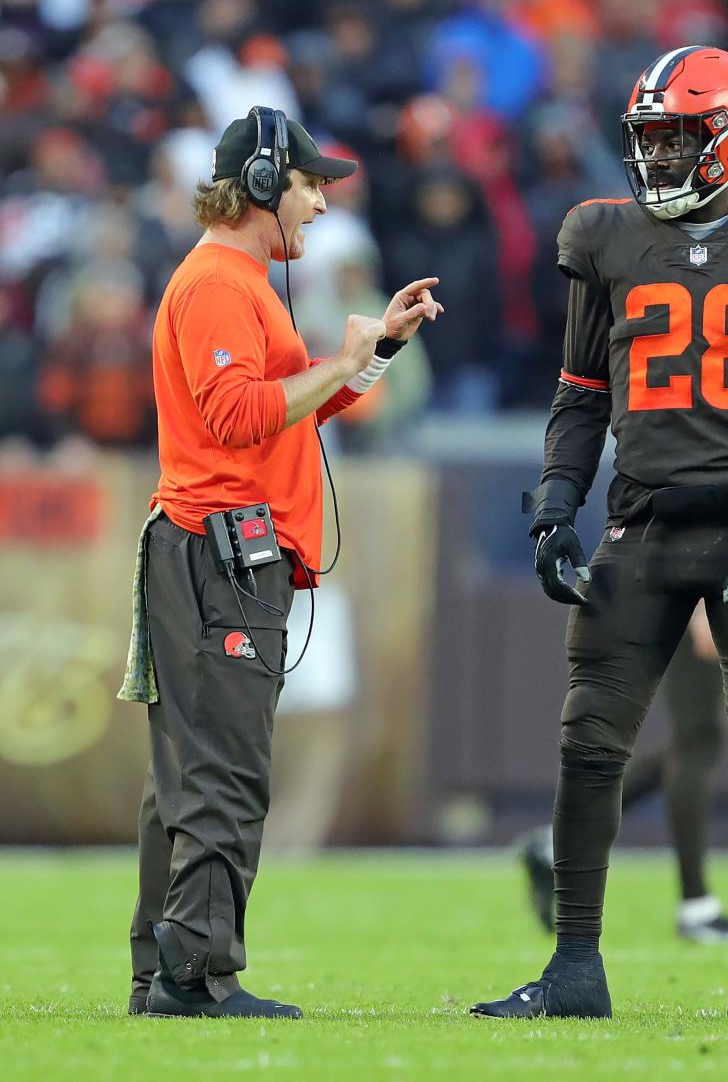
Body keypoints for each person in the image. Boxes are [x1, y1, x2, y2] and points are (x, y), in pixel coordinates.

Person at [471, 46, 728, 1022]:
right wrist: (556, 502)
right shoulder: (603, 236)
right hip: (639, 523)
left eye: (678, 137)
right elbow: (582, 391)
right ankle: (574, 968)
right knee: (588, 741)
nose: (658, 158)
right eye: (650, 138)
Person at [117, 107, 442, 1019]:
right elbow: (237, 415)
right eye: (310, 187)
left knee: (187, 769)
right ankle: (195, 976)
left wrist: (370, 353)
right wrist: (337, 363)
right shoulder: (223, 282)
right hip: (221, 547)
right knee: (223, 765)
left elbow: (292, 410)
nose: (320, 207)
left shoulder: (242, 280)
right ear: (263, 185)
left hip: (206, 543)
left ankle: (162, 967)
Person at [518, 602, 728, 945]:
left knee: (687, 746)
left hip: (684, 583)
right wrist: (700, 605)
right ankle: (696, 907)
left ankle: (557, 840)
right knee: (696, 740)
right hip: (694, 581)